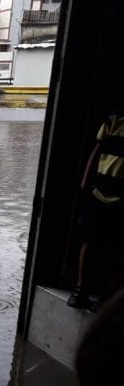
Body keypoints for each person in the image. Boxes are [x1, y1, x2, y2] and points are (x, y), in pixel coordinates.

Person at [67, 110, 124, 311]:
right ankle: (81, 291)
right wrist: (86, 180)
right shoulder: (114, 120)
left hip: (116, 198)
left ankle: (104, 295)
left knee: (112, 247)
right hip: (100, 192)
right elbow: (97, 149)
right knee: (91, 242)